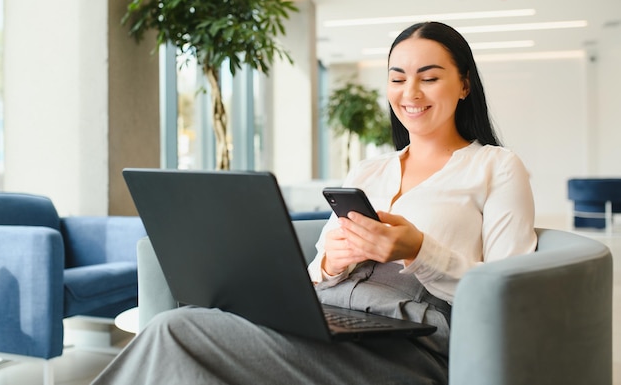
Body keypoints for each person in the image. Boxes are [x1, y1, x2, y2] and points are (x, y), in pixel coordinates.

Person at [91, 21, 537, 385]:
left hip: (411, 346)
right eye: (398, 78)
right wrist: (330, 263)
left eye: (430, 77)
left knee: (177, 328)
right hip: (332, 318)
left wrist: (418, 250)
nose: (410, 93)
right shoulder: (368, 171)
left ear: (464, 85)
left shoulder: (496, 167)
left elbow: (509, 295)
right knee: (191, 325)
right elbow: (316, 274)